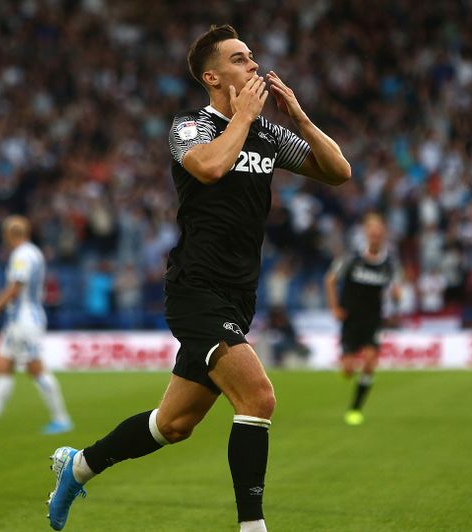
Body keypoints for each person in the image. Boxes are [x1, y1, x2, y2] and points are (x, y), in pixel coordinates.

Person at [45, 24, 350, 531]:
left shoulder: (268, 135)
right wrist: (246, 117)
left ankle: (77, 466)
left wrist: (299, 117)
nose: (253, 65)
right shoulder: (190, 128)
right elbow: (209, 168)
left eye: (252, 56)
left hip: (238, 295)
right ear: (213, 76)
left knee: (173, 425)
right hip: (195, 290)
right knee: (259, 399)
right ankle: (252, 527)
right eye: (240, 58)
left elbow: (338, 171)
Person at [0, 215, 72, 436]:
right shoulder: (34, 252)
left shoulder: (21, 255)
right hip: (17, 322)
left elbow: (14, 289)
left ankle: (62, 419)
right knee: (2, 366)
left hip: (25, 321)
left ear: (8, 235)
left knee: (35, 369)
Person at [324, 213, 400, 426]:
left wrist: (397, 296)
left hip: (373, 320)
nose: (375, 236)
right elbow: (330, 279)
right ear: (367, 234)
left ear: (383, 235)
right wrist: (334, 307)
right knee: (348, 371)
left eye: (379, 232)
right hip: (351, 320)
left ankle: (355, 408)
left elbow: (396, 287)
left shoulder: (389, 263)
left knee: (369, 362)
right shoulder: (352, 259)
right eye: (372, 232)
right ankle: (347, 366)